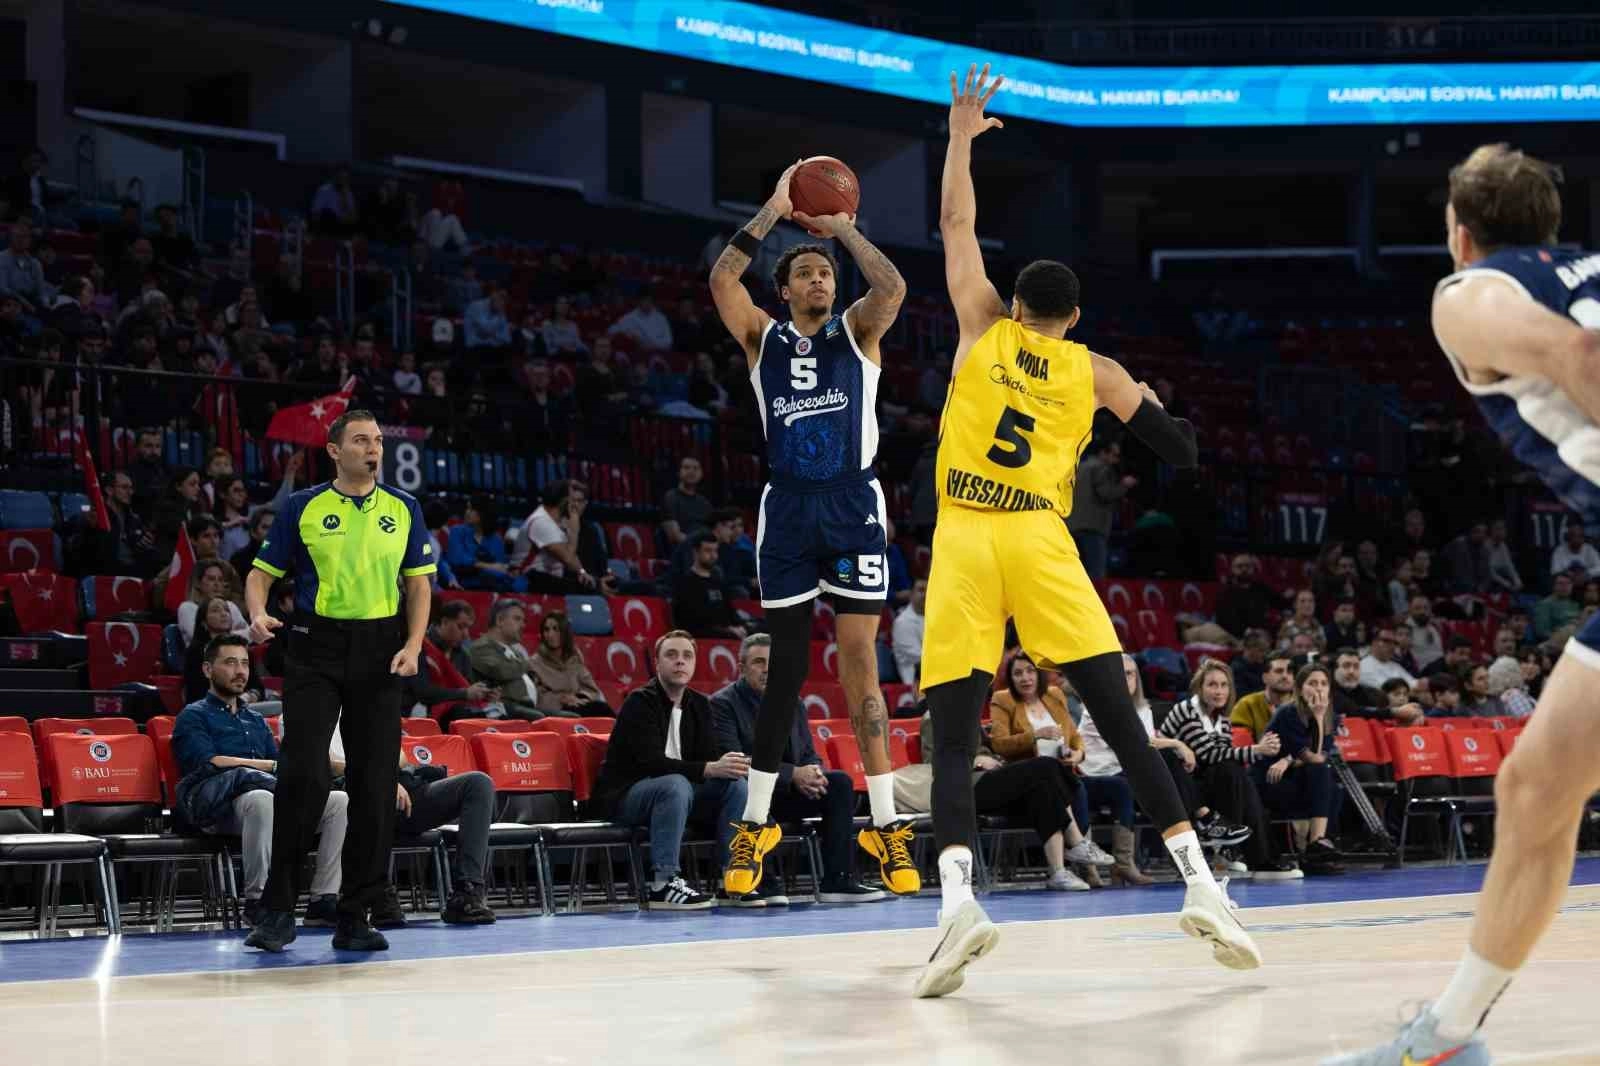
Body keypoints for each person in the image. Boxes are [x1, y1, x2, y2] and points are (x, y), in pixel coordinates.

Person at [908, 64, 1257, 1001]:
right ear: (1072, 317)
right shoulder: (1095, 371)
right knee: (1119, 719)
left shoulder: (980, 327)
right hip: (1040, 540)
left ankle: (957, 908)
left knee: (953, 740)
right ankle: (1202, 888)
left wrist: (960, 136)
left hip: (964, 537)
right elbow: (1180, 451)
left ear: (1016, 305)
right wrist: (1155, 411)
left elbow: (954, 225)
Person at [1327, 144, 1600, 1066]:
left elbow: (1581, 352)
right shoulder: (1588, 269)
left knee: (1538, 790)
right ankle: (1446, 1039)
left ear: (1460, 233)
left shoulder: (1469, 293)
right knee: (1536, 788)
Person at [708, 152, 919, 901]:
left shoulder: (858, 332)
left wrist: (843, 228)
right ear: (786, 288)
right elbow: (721, 281)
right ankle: (755, 825)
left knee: (860, 665)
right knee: (786, 671)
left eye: (826, 272)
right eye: (806, 273)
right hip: (790, 509)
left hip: (853, 504)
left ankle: (887, 825)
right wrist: (775, 207)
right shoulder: (762, 339)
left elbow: (892, 287)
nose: (820, 280)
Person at [240, 410, 434, 954]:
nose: (373, 449)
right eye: (361, 441)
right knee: (303, 776)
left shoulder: (404, 508)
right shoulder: (303, 506)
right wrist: (257, 613)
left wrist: (414, 644)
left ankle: (355, 914)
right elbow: (259, 574)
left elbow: (419, 585)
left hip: (381, 652)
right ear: (334, 450)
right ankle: (278, 911)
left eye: (378, 441)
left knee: (374, 787)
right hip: (314, 648)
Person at [171, 634, 348, 930]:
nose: (240, 671)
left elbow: (281, 768)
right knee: (261, 799)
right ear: (207, 670)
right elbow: (210, 762)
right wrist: (272, 766)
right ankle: (260, 901)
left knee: (339, 802)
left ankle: (323, 899)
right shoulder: (193, 715)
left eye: (244, 664)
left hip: (265, 798)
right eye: (230, 663)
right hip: (217, 806)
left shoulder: (255, 720)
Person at [710, 634, 884, 904]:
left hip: (787, 793)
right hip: (748, 794)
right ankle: (761, 880)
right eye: (758, 662)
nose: (767, 669)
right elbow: (736, 762)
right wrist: (793, 774)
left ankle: (838, 879)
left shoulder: (793, 702)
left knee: (839, 783)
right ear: (741, 667)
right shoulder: (722, 704)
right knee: (745, 790)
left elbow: (808, 754)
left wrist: (813, 773)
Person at [592, 631, 749, 910]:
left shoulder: (700, 704)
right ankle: (663, 884)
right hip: (627, 797)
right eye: (671, 655)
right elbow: (651, 763)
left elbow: (707, 759)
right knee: (674, 783)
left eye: (687, 656)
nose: (680, 661)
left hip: (680, 794)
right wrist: (709, 768)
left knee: (735, 785)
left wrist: (725, 765)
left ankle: (732, 878)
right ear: (657, 663)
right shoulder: (640, 702)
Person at [986, 653, 1120, 886]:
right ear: (1010, 678)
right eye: (1018, 673)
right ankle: (1080, 851)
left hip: (1060, 774)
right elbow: (999, 744)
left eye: (1030, 671)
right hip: (1023, 778)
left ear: (1039, 674)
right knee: (1063, 783)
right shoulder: (1002, 699)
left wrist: (1078, 755)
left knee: (1059, 791)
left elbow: (1074, 737)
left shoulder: (1055, 695)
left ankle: (1064, 870)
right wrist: (1036, 735)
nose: (1025, 678)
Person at [1254, 663, 1345, 876]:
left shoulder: (1330, 715)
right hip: (1271, 781)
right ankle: (1316, 846)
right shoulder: (1288, 713)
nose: (1319, 688)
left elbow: (1320, 755)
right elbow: (1314, 757)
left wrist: (1289, 759)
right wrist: (1319, 718)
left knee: (1333, 785)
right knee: (1321, 773)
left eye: (1323, 683)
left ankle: (1317, 849)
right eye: (1312, 683)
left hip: (1298, 777)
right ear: (1300, 688)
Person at [527, 611, 612, 717]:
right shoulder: (534, 663)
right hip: (556, 710)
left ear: (565, 632)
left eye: (556, 629)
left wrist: (579, 697)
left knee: (602, 708)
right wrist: (561, 699)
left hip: (578, 703)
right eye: (546, 630)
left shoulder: (574, 659)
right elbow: (537, 696)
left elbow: (591, 689)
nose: (550, 634)